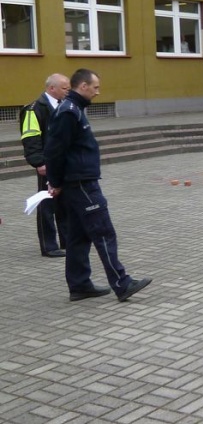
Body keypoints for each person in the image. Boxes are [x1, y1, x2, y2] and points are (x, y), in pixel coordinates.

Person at [43, 68, 151, 302]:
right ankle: (122, 283)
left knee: (78, 237)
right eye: (95, 88)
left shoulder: (74, 109)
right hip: (81, 184)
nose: (98, 92)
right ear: (82, 86)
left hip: (78, 182)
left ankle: (80, 285)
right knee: (104, 233)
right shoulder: (69, 112)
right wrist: (56, 182)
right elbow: (54, 151)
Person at [19, 73, 70, 258]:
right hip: (47, 165)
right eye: (65, 88)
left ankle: (67, 241)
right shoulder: (34, 109)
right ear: (52, 88)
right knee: (47, 204)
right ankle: (49, 246)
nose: (68, 91)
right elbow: (30, 137)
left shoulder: (64, 106)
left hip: (64, 163)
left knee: (64, 203)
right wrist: (38, 162)